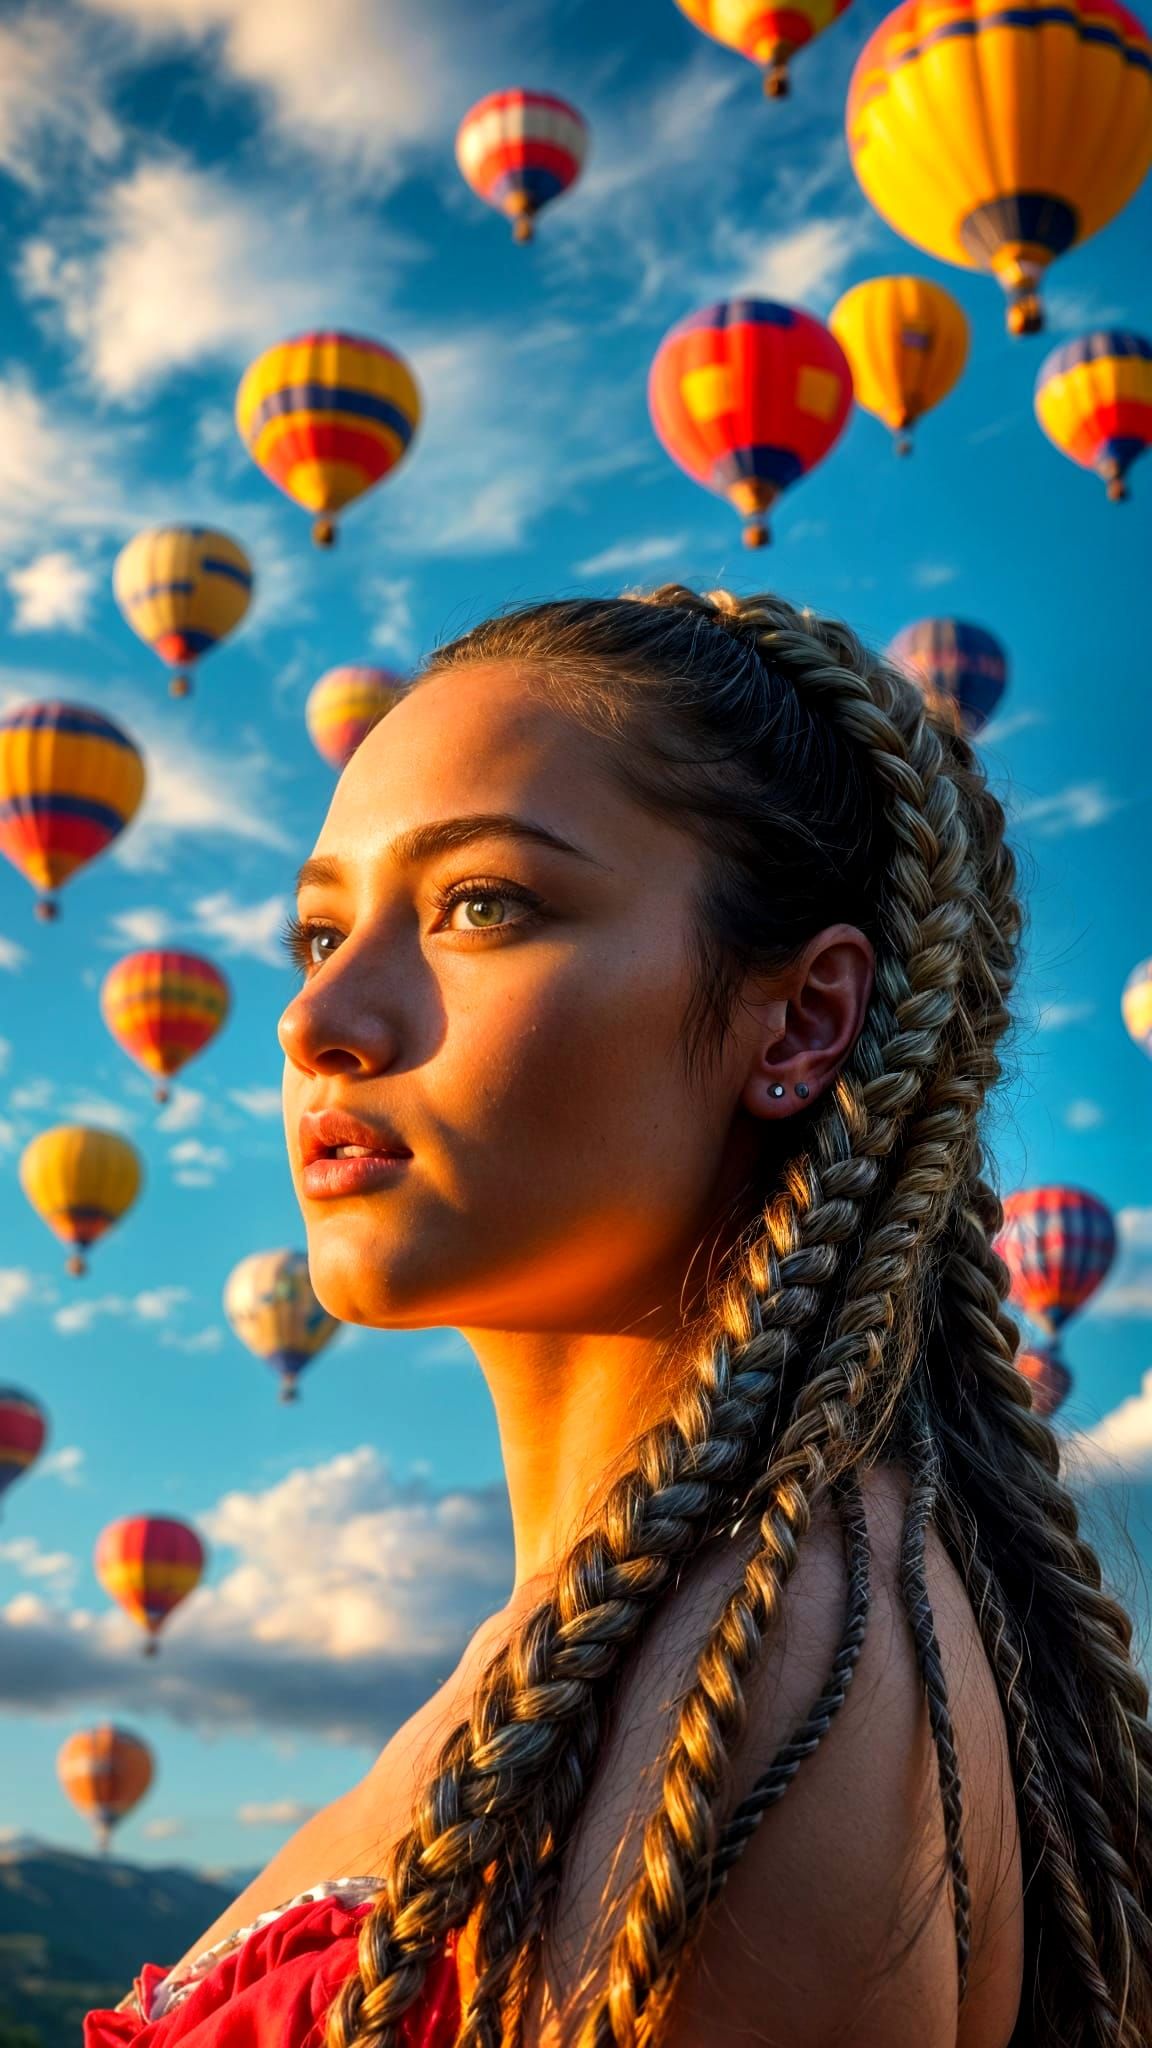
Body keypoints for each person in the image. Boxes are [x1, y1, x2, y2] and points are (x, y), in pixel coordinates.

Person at [86, 586, 1152, 2048]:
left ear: (804, 1023)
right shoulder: (647, 1629)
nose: (316, 1019)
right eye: (322, 931)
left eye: (483, 906)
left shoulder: (752, 1663)